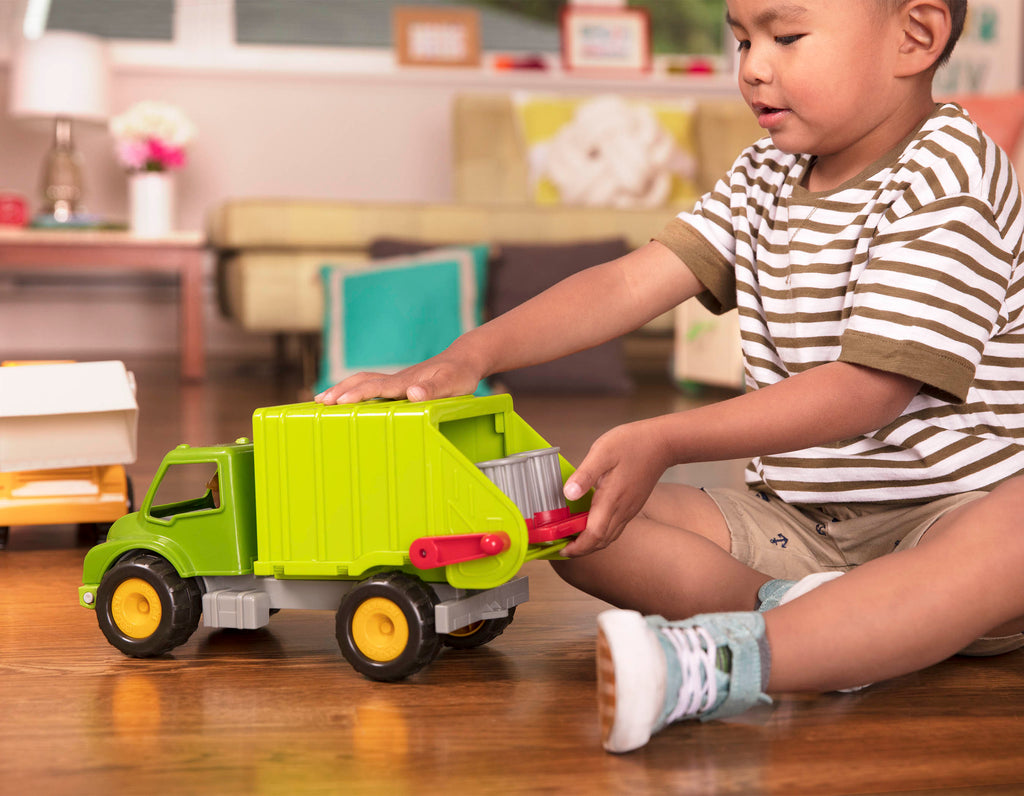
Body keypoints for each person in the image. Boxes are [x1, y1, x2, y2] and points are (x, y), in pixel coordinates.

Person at [318, 0, 1024, 755]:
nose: (753, 66)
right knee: (580, 509)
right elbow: (626, 285)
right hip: (801, 528)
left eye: (786, 37)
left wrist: (669, 436)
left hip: (952, 513)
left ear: (915, 37)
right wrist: (472, 354)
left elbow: (865, 390)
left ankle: (728, 661)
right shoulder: (766, 173)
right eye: (741, 38)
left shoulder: (950, 175)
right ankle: (815, 622)